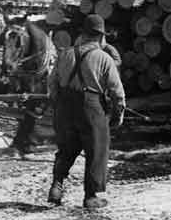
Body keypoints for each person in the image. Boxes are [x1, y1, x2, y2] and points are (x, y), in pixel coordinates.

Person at [47, 14, 125, 208]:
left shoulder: (65, 54)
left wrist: (58, 105)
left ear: (83, 35)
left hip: (65, 105)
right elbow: (117, 91)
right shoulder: (104, 57)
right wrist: (118, 114)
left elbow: (52, 83)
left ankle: (56, 187)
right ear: (100, 37)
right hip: (90, 106)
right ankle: (91, 196)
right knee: (97, 148)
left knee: (66, 148)